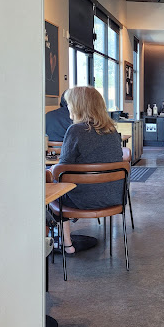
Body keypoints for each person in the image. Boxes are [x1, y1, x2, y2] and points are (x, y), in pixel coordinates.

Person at [56, 86, 123, 254]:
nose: (68, 107)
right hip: (114, 196)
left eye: (70, 104)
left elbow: (62, 169)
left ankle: (66, 245)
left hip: (84, 200)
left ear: (78, 106)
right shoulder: (112, 130)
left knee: (48, 194)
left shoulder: (76, 130)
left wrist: (51, 171)